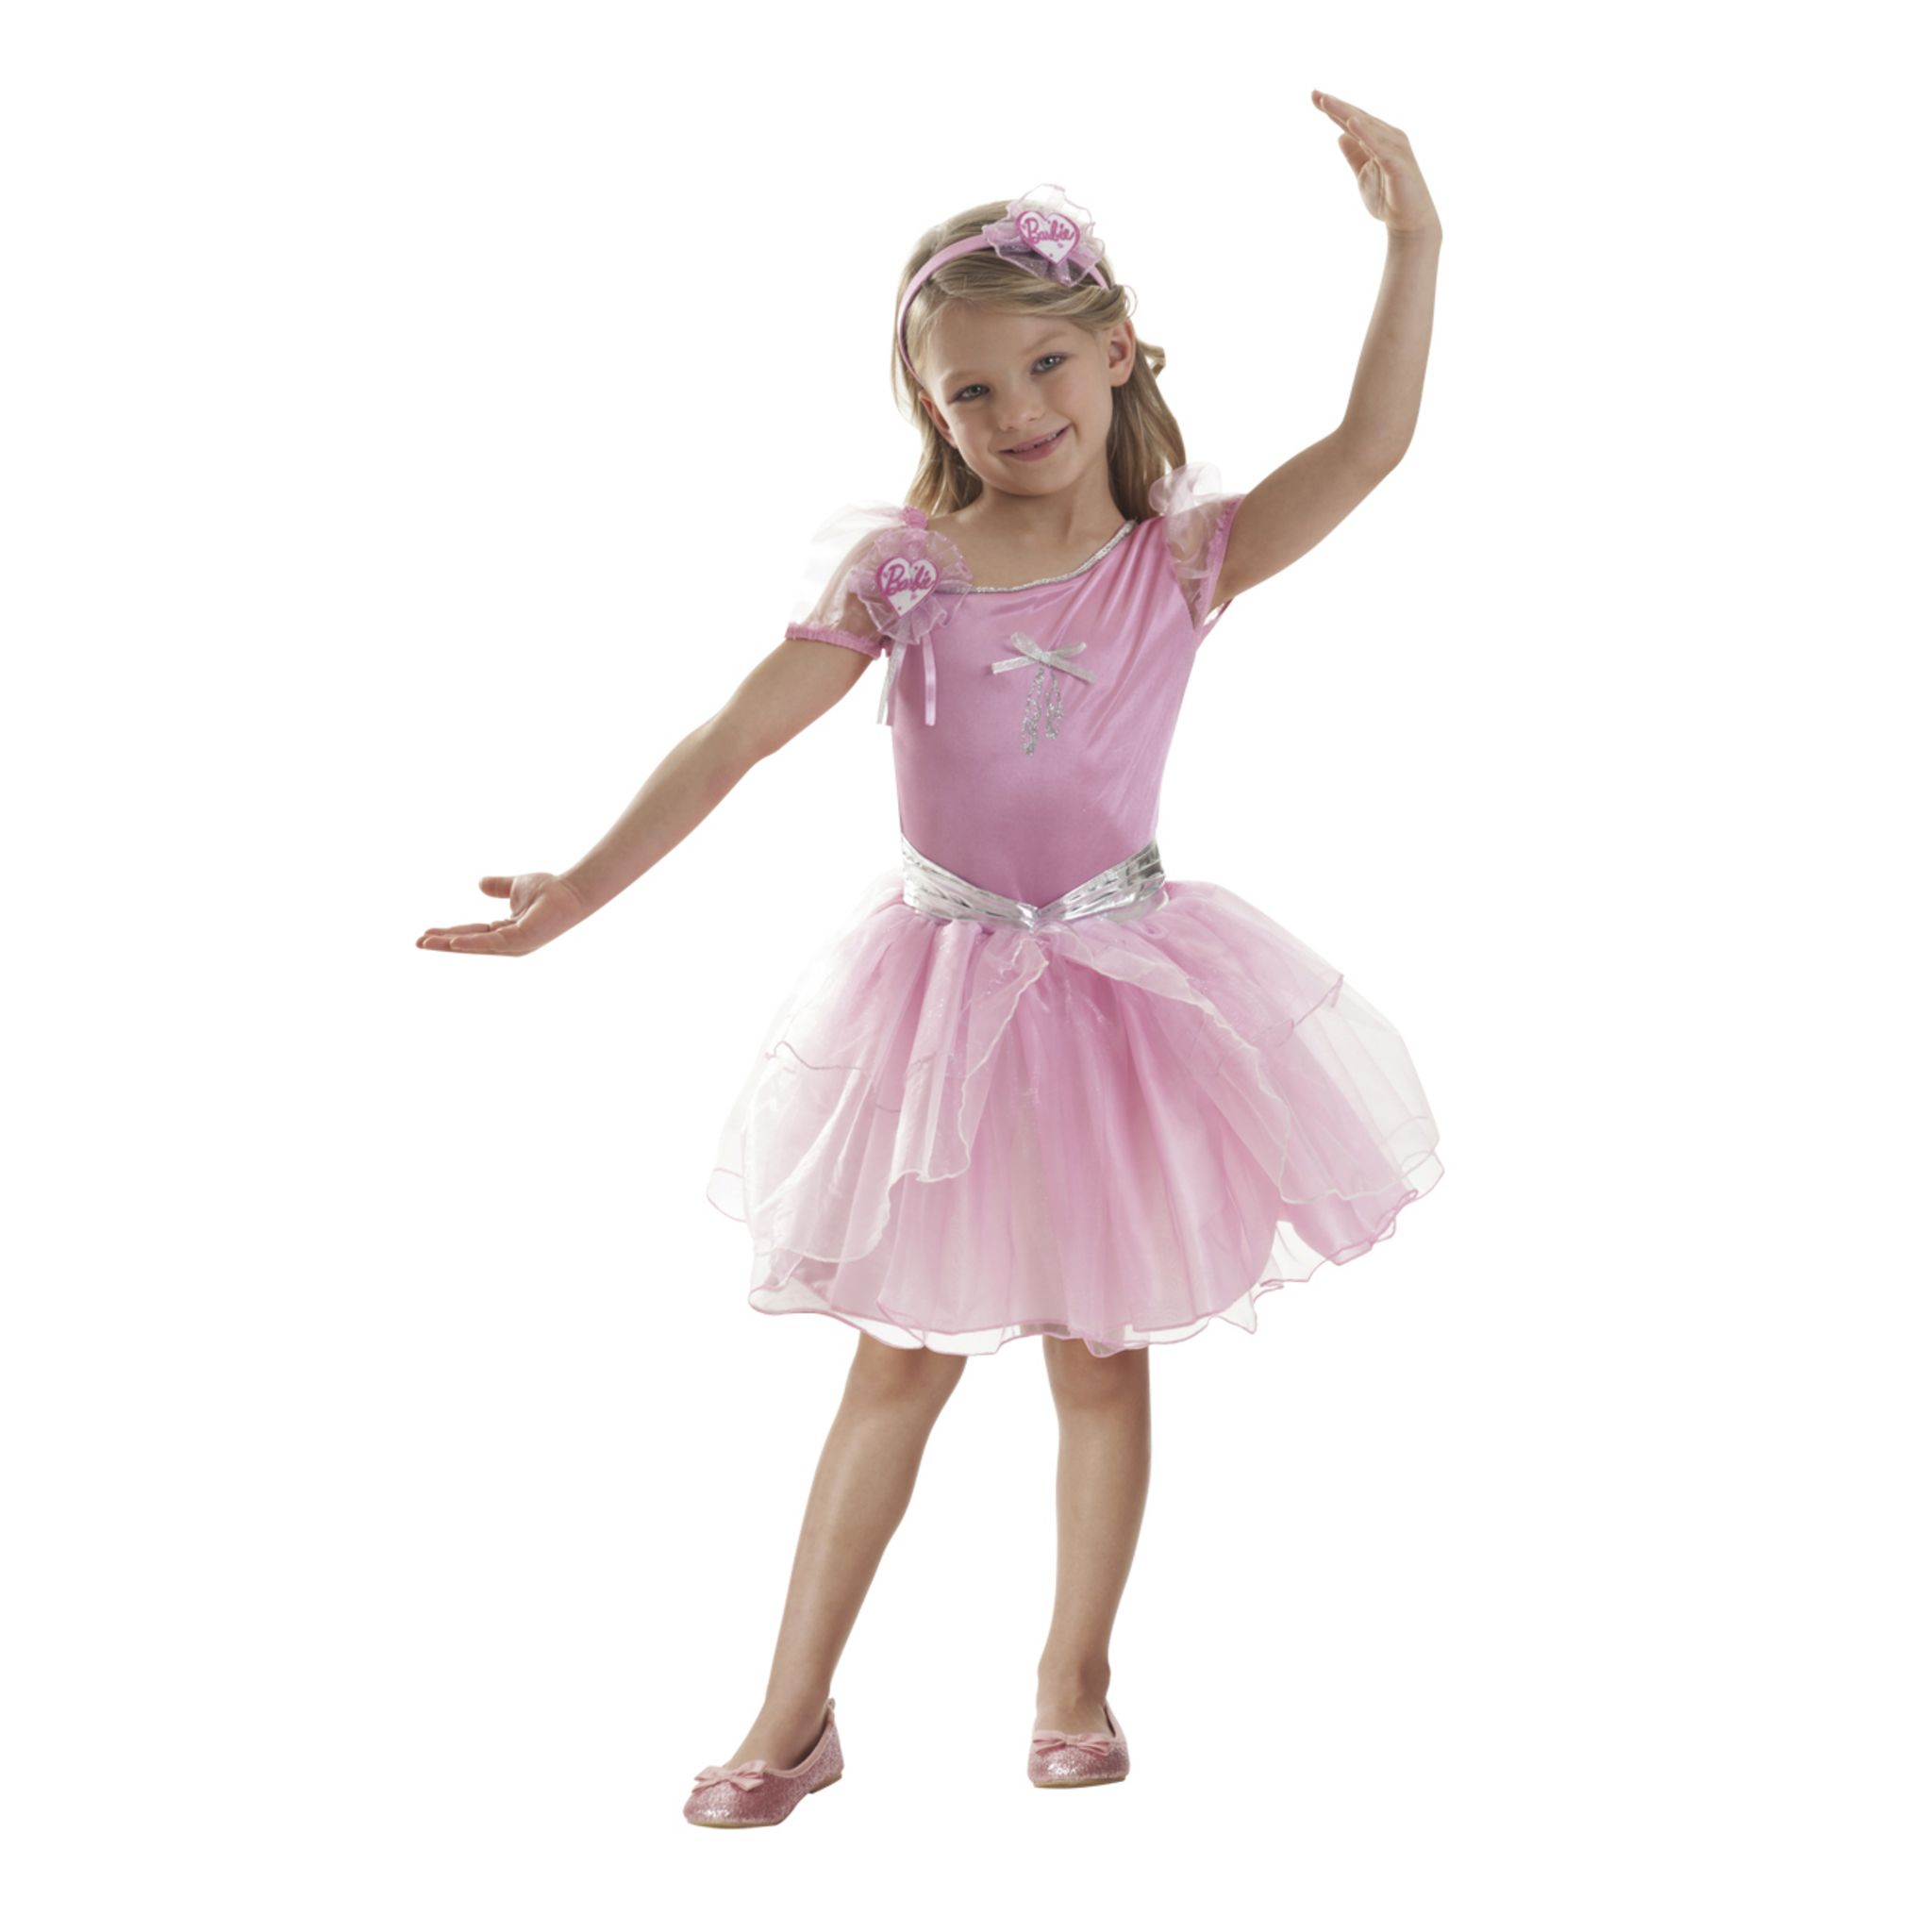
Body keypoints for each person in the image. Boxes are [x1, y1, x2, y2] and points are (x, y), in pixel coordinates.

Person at [417, 95, 1445, 1830]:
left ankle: (1074, 1679)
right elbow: (735, 736)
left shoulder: (1179, 561)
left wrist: (1412, 241)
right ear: (927, 407)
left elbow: (1370, 446)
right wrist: (578, 890)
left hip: (1125, 991)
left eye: (1044, 367)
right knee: (896, 1357)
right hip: (945, 999)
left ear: (1118, 353)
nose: (1015, 411)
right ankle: (791, 1714)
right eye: (970, 390)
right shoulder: (908, 572)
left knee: (1101, 1351)